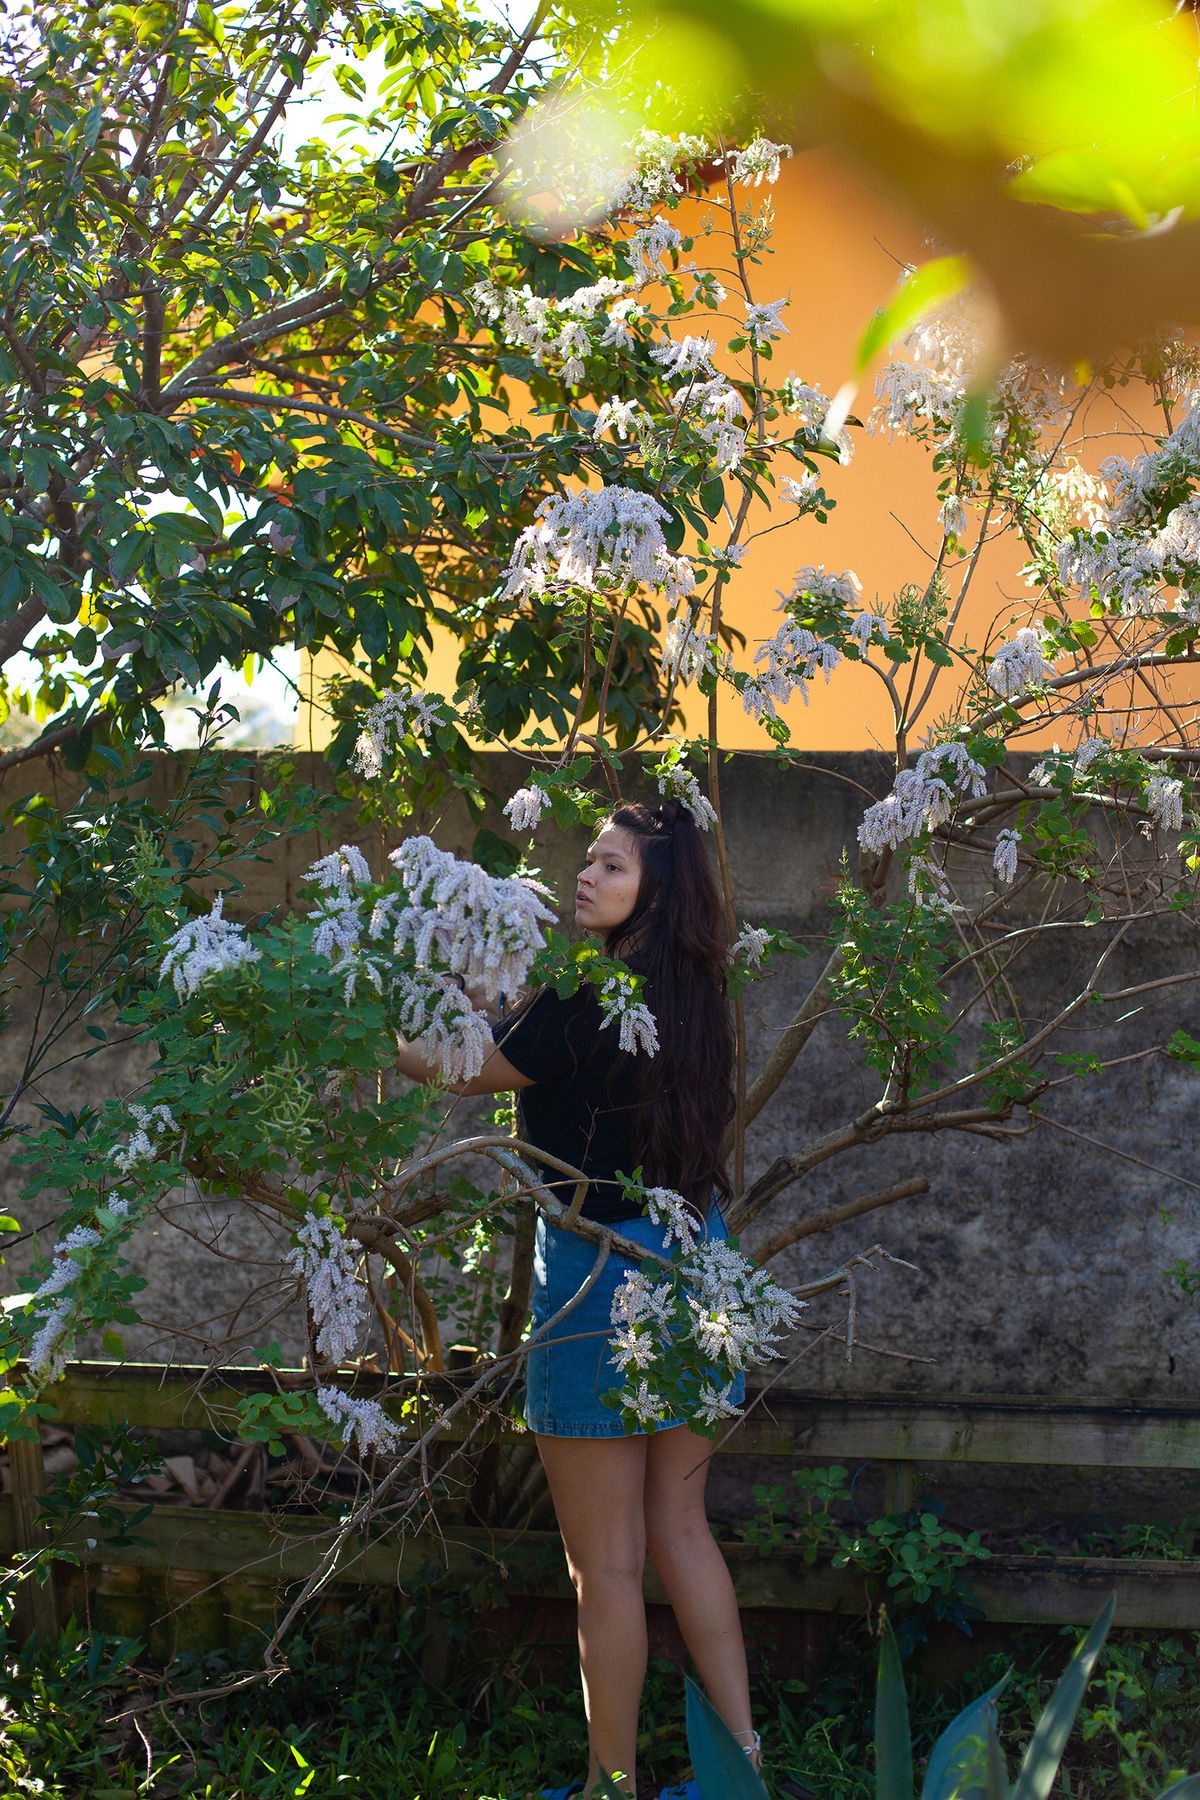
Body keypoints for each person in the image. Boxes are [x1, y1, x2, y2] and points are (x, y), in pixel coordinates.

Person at [395, 800, 760, 1800]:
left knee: (605, 1567)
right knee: (683, 1533)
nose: (585, 875)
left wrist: (390, 992)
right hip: (699, 1265)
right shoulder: (692, 991)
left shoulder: (582, 995)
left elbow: (443, 1067)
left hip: (601, 1279)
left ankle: (613, 1789)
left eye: (611, 865)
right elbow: (529, 1042)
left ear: (656, 890)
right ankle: (745, 1776)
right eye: (589, 859)